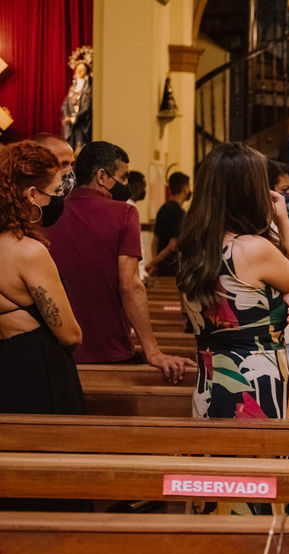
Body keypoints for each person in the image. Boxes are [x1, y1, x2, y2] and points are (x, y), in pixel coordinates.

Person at [176, 143, 289, 420]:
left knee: (220, 461)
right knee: (261, 461)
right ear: (248, 192)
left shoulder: (191, 249)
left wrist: (283, 297)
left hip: (209, 380)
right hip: (253, 383)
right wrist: (283, 220)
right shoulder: (252, 248)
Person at [44, 141, 191, 382]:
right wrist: (152, 351)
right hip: (108, 346)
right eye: (123, 177)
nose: (126, 185)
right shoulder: (124, 213)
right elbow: (130, 285)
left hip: (57, 348)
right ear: (102, 176)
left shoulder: (49, 212)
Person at [0, 141, 84, 415]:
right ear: (33, 194)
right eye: (53, 193)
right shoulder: (28, 252)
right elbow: (70, 335)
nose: (56, 200)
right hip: (35, 371)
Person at [147, 171, 190, 278]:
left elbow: (155, 241)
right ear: (185, 188)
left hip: (161, 267)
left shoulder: (162, 209)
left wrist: (156, 261)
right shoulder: (179, 213)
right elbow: (173, 245)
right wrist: (153, 263)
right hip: (173, 268)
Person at [61, 48, 93, 150]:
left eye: (82, 70)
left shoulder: (89, 89)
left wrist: (76, 118)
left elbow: (87, 107)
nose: (79, 72)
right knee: (70, 148)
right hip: (71, 126)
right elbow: (65, 105)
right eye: (78, 70)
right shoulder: (72, 88)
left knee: (82, 148)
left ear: (86, 73)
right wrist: (66, 116)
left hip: (82, 124)